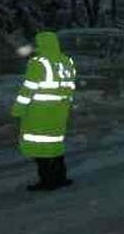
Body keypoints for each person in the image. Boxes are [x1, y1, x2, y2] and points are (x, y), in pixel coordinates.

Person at [11, 31, 76, 191]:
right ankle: (60, 177)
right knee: (55, 145)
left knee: (40, 146)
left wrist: (17, 110)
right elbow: (70, 87)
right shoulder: (67, 61)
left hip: (40, 112)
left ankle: (47, 181)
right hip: (60, 111)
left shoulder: (39, 63)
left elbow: (29, 89)